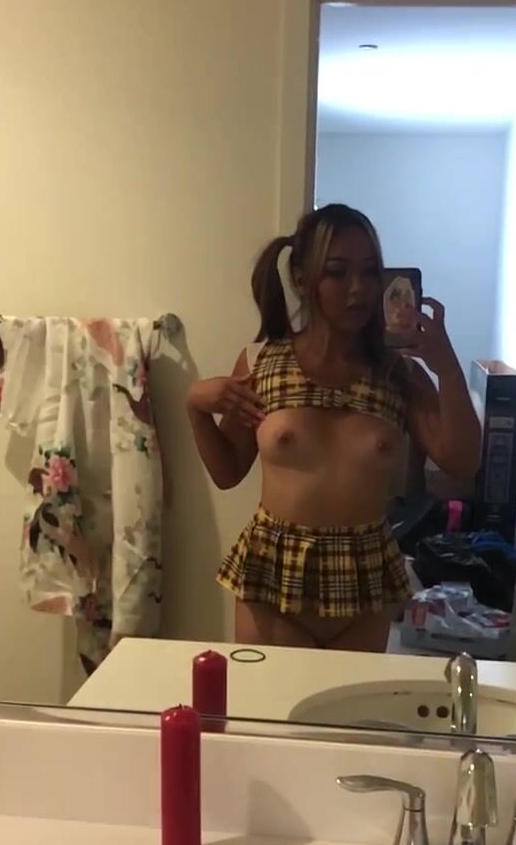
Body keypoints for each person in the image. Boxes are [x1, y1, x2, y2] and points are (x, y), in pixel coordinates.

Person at [187, 203, 481, 651]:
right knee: (268, 699)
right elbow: (227, 473)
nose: (358, 288)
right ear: (301, 278)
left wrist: (448, 369)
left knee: (351, 701)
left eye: (369, 272)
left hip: (364, 586)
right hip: (273, 582)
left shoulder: (397, 373)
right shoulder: (262, 362)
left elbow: (462, 462)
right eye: (337, 272)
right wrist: (194, 404)